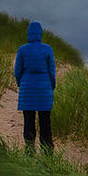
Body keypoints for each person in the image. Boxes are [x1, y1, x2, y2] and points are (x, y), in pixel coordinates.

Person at [14, 20, 56, 152]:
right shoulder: (47, 49)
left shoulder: (22, 49)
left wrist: (21, 84)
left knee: (28, 122)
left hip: (27, 90)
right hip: (44, 90)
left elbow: (17, 71)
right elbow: (52, 71)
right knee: (45, 122)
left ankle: (29, 151)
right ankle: (47, 152)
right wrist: (51, 86)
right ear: (40, 34)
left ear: (29, 33)